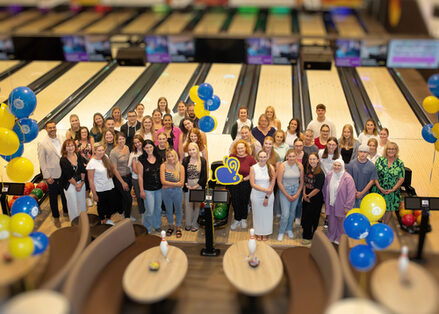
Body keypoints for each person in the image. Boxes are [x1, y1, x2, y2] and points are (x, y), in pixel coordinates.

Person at [38, 121, 68, 228]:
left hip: (64, 173)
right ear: (46, 130)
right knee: (53, 197)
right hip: (52, 175)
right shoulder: (42, 143)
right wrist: (47, 176)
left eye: (53, 127)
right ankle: (56, 217)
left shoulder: (62, 138)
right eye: (49, 128)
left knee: (65, 194)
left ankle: (66, 211)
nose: (52, 129)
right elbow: (42, 162)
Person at [323, 160, 355, 244]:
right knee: (331, 222)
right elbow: (325, 188)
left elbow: (351, 194)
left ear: (343, 166)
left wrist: (347, 206)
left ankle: (340, 238)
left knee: (341, 223)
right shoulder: (329, 175)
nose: (336, 167)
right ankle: (331, 236)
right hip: (331, 203)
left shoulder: (348, 178)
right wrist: (325, 200)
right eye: (335, 165)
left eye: (339, 165)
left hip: (342, 205)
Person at [372, 142, 405, 224]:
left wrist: (393, 189)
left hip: (392, 191)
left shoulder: (399, 163)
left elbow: (401, 178)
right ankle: (378, 223)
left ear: (396, 150)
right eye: (389, 149)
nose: (391, 151)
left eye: (393, 149)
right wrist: (379, 187)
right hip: (379, 189)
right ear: (386, 150)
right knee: (379, 207)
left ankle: (385, 225)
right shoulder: (380, 160)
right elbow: (374, 175)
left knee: (389, 209)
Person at [229, 140, 257, 230]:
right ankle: (237, 219)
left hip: (245, 182)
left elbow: (254, 172)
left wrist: (243, 179)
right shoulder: (232, 157)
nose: (240, 149)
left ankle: (243, 219)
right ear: (235, 149)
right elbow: (228, 170)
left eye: (242, 148)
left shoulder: (250, 158)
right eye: (238, 148)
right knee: (235, 201)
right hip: (233, 183)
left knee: (244, 201)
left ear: (245, 148)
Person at [277, 149, 304, 241]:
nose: (292, 158)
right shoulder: (282, 166)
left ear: (296, 157)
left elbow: (301, 182)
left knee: (292, 213)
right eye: (290, 156)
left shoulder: (300, 166)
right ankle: (281, 231)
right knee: (285, 214)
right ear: (287, 156)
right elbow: (279, 182)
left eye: (294, 156)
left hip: (296, 190)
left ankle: (289, 229)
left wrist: (297, 194)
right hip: (285, 191)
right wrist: (287, 195)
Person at [87, 143, 116, 225]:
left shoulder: (105, 157)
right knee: (101, 207)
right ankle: (103, 221)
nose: (101, 152)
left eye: (102, 150)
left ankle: (108, 219)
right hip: (100, 189)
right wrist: (94, 193)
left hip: (109, 186)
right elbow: (91, 179)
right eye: (99, 150)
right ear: (94, 151)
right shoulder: (92, 163)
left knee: (110, 205)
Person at [138, 140, 163, 233]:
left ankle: (156, 225)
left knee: (158, 209)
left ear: (153, 147)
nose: (149, 149)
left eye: (150, 147)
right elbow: (140, 176)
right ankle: (147, 228)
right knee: (150, 210)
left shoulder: (159, 158)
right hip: (147, 190)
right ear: (144, 149)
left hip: (159, 188)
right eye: (146, 147)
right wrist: (141, 190)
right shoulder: (141, 160)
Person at [250, 151, 276, 241]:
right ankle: (258, 232)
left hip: (268, 195)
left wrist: (267, 196)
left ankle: (265, 233)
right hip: (256, 195)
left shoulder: (271, 168)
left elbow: (272, 183)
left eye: (264, 157)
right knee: (257, 215)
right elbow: (252, 184)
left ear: (267, 157)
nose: (262, 159)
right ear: (257, 157)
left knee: (267, 215)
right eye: (261, 157)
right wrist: (265, 190)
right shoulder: (253, 168)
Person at [182, 143, 207, 232]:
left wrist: (196, 186)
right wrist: (186, 185)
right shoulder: (185, 160)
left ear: (197, 150)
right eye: (190, 150)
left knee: (197, 206)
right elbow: (183, 174)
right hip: (188, 185)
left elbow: (204, 176)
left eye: (193, 149)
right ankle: (188, 223)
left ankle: (195, 223)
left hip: (198, 185)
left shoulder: (203, 161)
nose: (192, 151)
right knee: (188, 205)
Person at [60, 139, 86, 222]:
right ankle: (74, 223)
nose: (70, 147)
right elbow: (68, 176)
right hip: (70, 184)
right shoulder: (63, 160)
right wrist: (76, 185)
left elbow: (82, 169)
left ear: (75, 146)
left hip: (80, 182)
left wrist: (82, 182)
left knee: (82, 203)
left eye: (72, 145)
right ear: (65, 148)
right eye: (68, 146)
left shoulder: (78, 155)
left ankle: (83, 221)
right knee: (73, 205)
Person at [301, 152, 325, 245]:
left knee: (312, 217)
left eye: (314, 159)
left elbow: (318, 188)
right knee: (306, 215)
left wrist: (308, 196)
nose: (312, 161)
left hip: (315, 197)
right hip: (306, 193)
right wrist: (304, 193)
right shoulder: (308, 169)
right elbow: (304, 182)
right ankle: (306, 232)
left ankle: (309, 237)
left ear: (318, 160)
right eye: (310, 159)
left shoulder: (320, 173)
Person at [160, 149, 185, 238]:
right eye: (168, 156)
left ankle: (178, 227)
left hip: (177, 192)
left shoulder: (180, 167)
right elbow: (163, 181)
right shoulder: (163, 166)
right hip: (165, 192)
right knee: (168, 210)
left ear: (175, 156)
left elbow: (181, 183)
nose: (170, 158)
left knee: (178, 210)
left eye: (172, 156)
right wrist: (176, 184)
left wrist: (169, 184)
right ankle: (171, 226)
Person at [110, 132, 132, 219]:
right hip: (120, 178)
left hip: (129, 175)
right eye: (119, 139)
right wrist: (122, 182)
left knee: (125, 198)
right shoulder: (113, 152)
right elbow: (114, 169)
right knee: (129, 199)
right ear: (116, 140)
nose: (121, 140)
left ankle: (124, 213)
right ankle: (127, 218)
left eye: (123, 138)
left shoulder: (126, 148)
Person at [76, 126, 94, 207]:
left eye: (85, 132)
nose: (84, 134)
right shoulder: (76, 142)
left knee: (93, 180)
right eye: (82, 132)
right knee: (85, 180)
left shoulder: (91, 139)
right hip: (81, 164)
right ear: (80, 133)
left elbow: (93, 152)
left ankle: (95, 195)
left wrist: (90, 163)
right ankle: (87, 197)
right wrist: (82, 164)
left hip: (91, 162)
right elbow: (75, 154)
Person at [129, 135, 145, 218]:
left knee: (146, 195)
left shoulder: (146, 151)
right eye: (135, 143)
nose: (137, 144)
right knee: (139, 196)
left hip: (146, 179)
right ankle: (142, 212)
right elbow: (134, 169)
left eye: (139, 142)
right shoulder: (133, 154)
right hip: (136, 178)